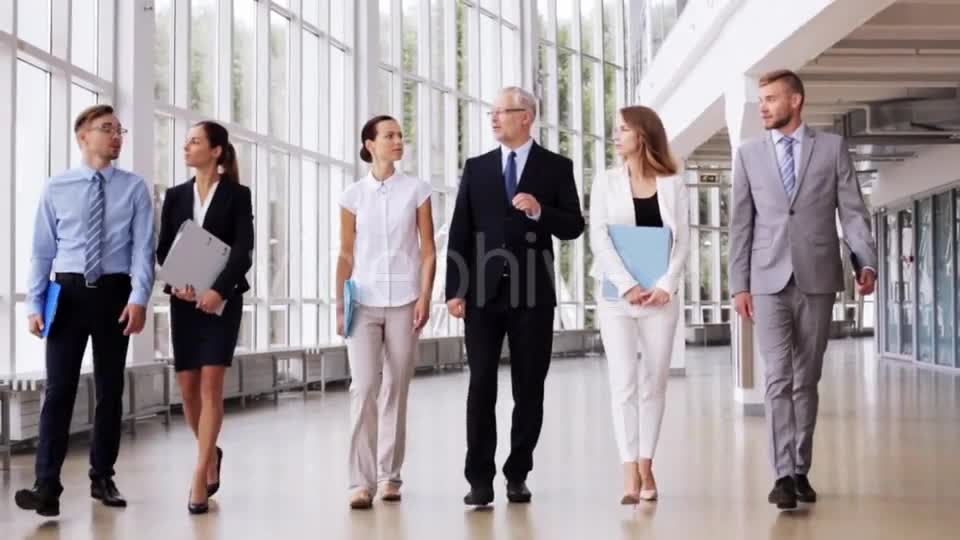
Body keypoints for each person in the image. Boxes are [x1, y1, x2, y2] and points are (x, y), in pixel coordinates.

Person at [728, 69, 878, 510]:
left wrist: (863, 259)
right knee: (777, 378)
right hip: (767, 278)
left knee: (806, 379)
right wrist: (739, 283)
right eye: (761, 100)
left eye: (772, 99)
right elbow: (741, 223)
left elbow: (852, 211)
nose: (764, 107)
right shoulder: (749, 154)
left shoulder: (830, 147)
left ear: (796, 101)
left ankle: (800, 468)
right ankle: (782, 476)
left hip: (817, 276)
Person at [446, 87, 585, 506]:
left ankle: (517, 472)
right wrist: (455, 290)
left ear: (526, 116)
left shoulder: (556, 167)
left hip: (533, 294)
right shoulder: (477, 167)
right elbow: (460, 229)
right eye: (491, 112)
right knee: (481, 385)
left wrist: (541, 211)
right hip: (483, 295)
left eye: (502, 111)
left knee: (529, 388)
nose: (494, 118)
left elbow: (574, 225)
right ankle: (479, 479)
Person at [15, 105, 155, 517]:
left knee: (110, 389)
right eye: (106, 129)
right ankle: (46, 485)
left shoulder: (134, 188)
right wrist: (34, 304)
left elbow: (143, 250)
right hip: (68, 294)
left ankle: (102, 476)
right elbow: (41, 252)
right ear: (83, 136)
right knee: (58, 390)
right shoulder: (56, 187)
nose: (116, 136)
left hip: (115, 294)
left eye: (119, 130)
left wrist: (140, 298)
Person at [589, 106, 689, 504]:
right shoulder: (606, 181)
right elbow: (599, 237)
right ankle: (629, 470)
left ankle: (647, 462)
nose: (616, 136)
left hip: (661, 298)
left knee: (655, 382)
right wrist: (627, 284)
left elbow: (682, 240)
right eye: (615, 130)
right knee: (623, 383)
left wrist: (666, 284)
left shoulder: (673, 184)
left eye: (623, 130)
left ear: (643, 135)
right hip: (617, 298)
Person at [336, 115, 436, 509]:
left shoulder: (417, 190)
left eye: (399, 135)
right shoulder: (352, 195)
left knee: (397, 386)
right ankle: (360, 482)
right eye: (389, 136)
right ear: (370, 144)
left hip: (405, 301)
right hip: (363, 300)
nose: (397, 141)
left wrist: (426, 296)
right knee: (363, 388)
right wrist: (338, 302)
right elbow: (346, 252)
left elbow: (428, 249)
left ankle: (389, 475)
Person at [156, 121, 253, 514]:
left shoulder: (237, 194)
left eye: (194, 141)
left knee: (211, 384)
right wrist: (178, 283)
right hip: (184, 301)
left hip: (220, 302)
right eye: (187, 142)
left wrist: (218, 291)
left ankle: (199, 474)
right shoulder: (176, 195)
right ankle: (211, 453)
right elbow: (163, 247)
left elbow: (243, 250)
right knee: (187, 388)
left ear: (215, 151)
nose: (187, 147)